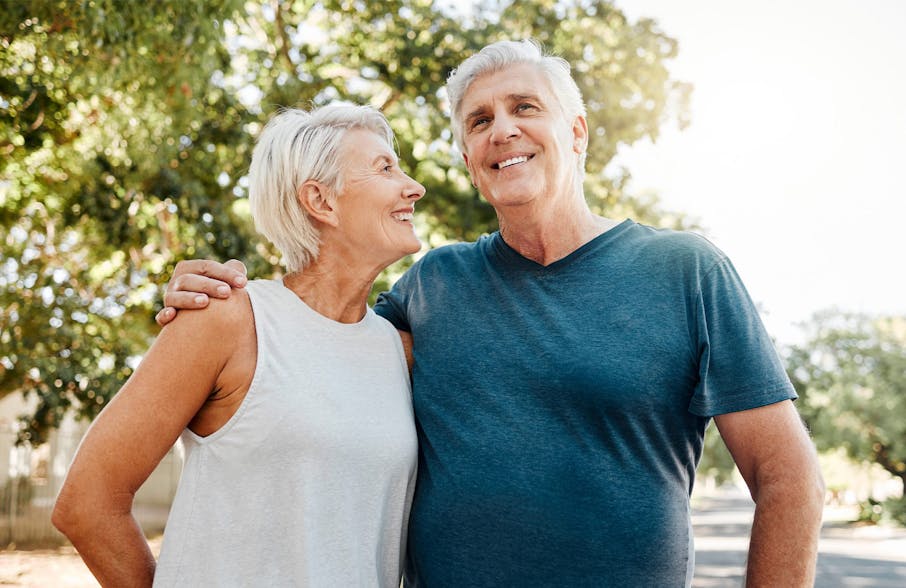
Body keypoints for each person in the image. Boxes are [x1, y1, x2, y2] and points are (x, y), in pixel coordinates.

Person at [158, 40, 825, 587]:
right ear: (472, 160)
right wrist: (221, 292)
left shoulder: (686, 271)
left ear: (577, 131)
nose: (501, 128)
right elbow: (309, 341)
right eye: (479, 121)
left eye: (523, 107)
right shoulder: (432, 285)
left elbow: (788, 476)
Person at [53, 104, 425, 587]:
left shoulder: (402, 354)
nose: (414, 186)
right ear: (321, 200)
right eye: (384, 168)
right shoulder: (227, 319)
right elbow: (86, 504)